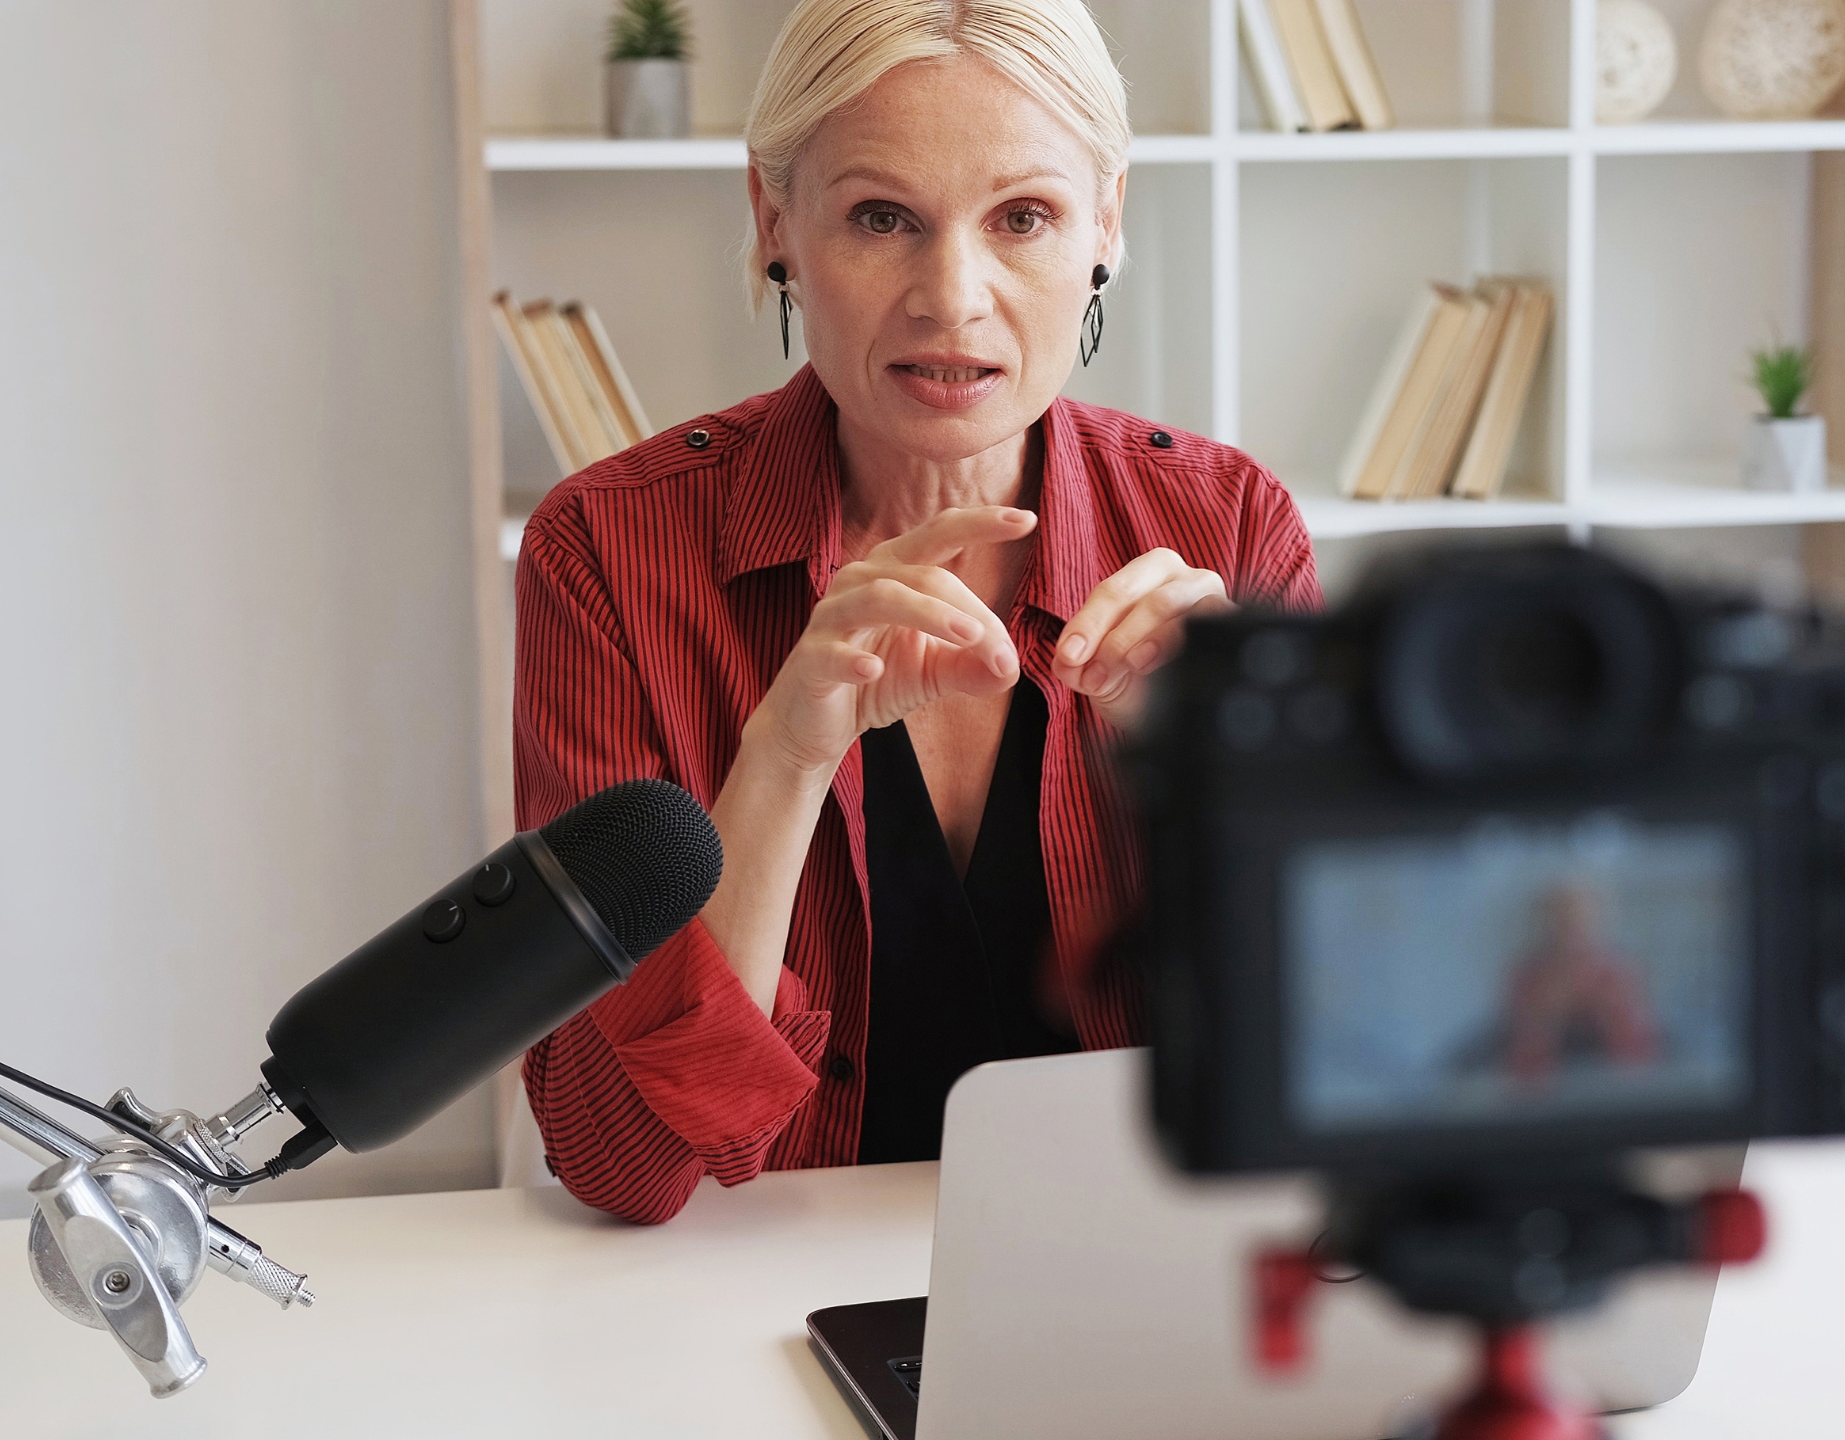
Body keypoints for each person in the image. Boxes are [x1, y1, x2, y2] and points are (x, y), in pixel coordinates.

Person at [513, 0, 1321, 1224]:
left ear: (1106, 222)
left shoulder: (1228, 529)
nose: (953, 298)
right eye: (881, 217)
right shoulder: (609, 552)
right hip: (757, 1308)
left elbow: (1344, 1083)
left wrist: (1223, 793)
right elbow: (616, 1161)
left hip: (1141, 1276)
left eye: (1025, 217)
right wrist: (781, 759)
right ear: (774, 217)